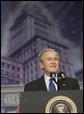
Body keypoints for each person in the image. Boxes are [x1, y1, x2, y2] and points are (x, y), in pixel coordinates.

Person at [16, 48, 80, 113]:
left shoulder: (72, 83)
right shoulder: (30, 87)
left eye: (55, 59)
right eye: (49, 59)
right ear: (41, 64)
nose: (53, 62)